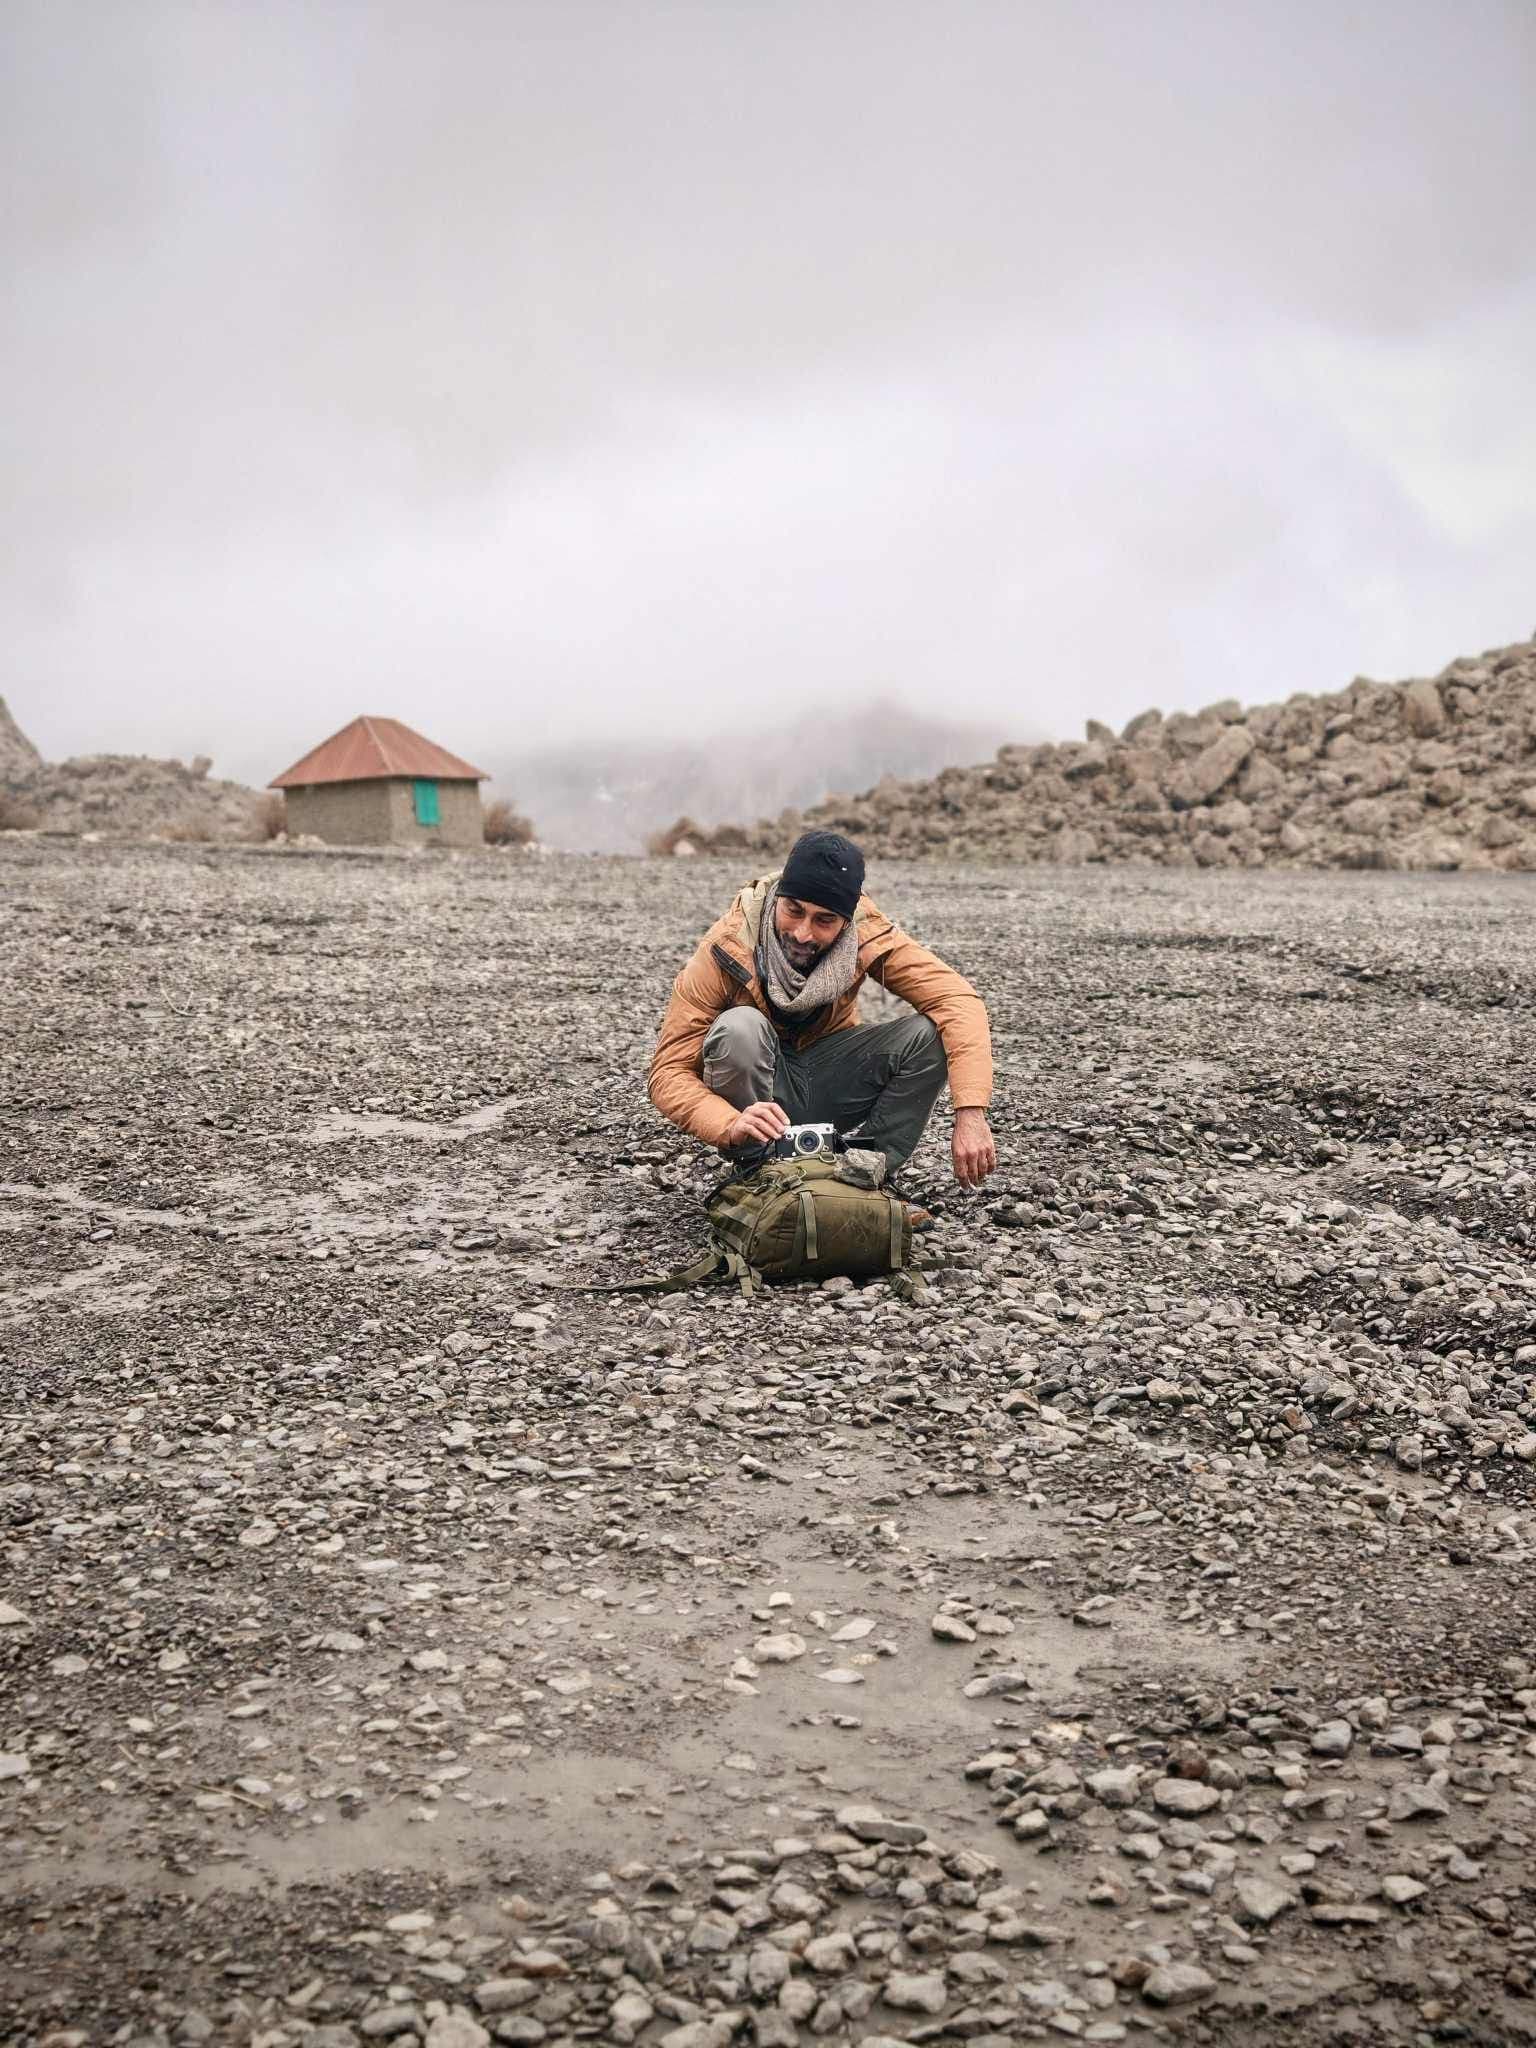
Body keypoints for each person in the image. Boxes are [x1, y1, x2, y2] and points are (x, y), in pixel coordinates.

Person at [648, 829, 997, 1192]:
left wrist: (970, 1112)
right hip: (754, 1108)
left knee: (927, 1036)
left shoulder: (867, 934)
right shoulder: (728, 945)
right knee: (740, 1028)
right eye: (794, 910)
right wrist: (729, 1124)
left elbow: (957, 1000)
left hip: (828, 1080)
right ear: (779, 897)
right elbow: (669, 1071)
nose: (802, 933)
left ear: (846, 921)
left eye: (824, 920)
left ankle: (866, 1178)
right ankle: (755, 1174)